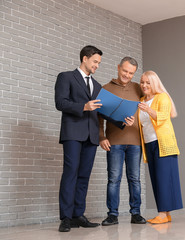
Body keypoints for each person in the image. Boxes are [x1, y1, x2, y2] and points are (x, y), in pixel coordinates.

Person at [55, 45, 103, 232]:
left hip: (91, 136)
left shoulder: (97, 85)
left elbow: (101, 110)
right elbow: (60, 103)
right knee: (71, 173)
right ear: (85, 58)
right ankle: (66, 218)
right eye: (95, 61)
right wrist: (84, 106)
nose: (97, 65)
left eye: (99, 63)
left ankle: (78, 215)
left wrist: (123, 120)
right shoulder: (66, 77)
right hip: (73, 134)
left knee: (84, 176)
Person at [99, 57, 146, 225]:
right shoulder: (105, 89)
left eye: (131, 73)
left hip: (135, 142)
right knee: (114, 179)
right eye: (125, 71)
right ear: (118, 68)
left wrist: (138, 118)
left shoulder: (138, 88)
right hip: (114, 141)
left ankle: (136, 213)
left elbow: (148, 106)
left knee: (135, 179)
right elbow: (98, 116)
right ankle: (112, 215)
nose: (127, 75)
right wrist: (102, 137)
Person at [138, 71, 183, 224]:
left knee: (164, 179)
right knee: (156, 179)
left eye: (148, 82)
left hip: (163, 143)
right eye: (142, 82)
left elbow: (163, 116)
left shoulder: (162, 97)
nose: (144, 85)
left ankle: (163, 214)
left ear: (154, 84)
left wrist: (148, 109)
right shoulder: (141, 100)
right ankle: (165, 214)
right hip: (149, 143)